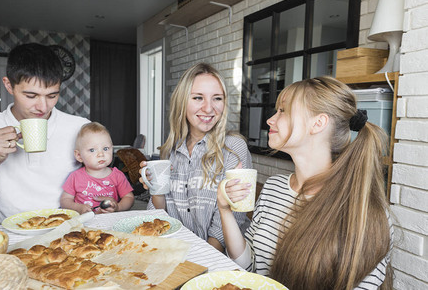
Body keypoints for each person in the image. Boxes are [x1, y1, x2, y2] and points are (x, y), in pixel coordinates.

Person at [217, 76, 393, 290]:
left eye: (283, 111)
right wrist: (225, 211)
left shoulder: (364, 211)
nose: (270, 120)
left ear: (318, 123)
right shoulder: (273, 188)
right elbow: (251, 270)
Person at [140, 63, 252, 252]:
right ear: (182, 101)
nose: (209, 108)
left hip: (217, 259)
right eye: (198, 98)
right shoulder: (169, 150)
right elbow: (159, 214)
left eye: (217, 98)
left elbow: (235, 215)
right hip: (175, 253)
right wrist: (155, 188)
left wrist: (204, 260)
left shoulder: (234, 147)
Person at [0, 43, 89, 224]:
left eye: (52, 96)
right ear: (8, 85)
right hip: (13, 239)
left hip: (70, 236)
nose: (43, 107)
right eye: (31, 96)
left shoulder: (80, 128)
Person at [60, 122, 134, 214]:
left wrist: (118, 207)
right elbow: (65, 200)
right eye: (92, 150)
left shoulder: (117, 175)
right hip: (83, 222)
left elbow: (129, 198)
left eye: (106, 149)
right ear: (79, 156)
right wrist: (78, 207)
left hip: (110, 221)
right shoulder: (75, 177)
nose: (101, 154)